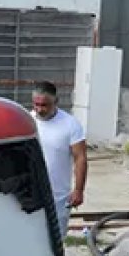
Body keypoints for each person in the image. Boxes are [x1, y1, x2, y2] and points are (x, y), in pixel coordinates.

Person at [30, 81, 88, 237]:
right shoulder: (28, 122)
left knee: (56, 239)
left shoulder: (70, 125)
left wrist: (78, 190)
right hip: (32, 195)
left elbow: (80, 158)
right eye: (36, 104)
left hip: (59, 198)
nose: (39, 109)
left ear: (56, 102)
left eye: (45, 105)